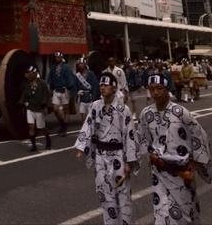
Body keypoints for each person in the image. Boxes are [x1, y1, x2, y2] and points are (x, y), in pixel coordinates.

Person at [138, 73, 211, 224]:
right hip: (159, 173)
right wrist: (150, 157)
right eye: (152, 89)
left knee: (184, 217)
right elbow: (143, 140)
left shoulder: (181, 113)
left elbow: (199, 138)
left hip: (181, 174)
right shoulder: (146, 114)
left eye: (159, 88)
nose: (155, 93)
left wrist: (195, 164)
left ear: (167, 89)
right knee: (161, 215)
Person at [75, 72, 139, 225]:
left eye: (106, 85)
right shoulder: (95, 106)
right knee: (105, 195)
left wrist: (129, 161)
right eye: (101, 85)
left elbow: (130, 136)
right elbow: (88, 126)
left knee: (122, 197)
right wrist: (82, 146)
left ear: (114, 87)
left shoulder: (123, 110)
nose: (102, 88)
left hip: (118, 155)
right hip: (101, 156)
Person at [20, 66, 51, 152]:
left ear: (34, 73)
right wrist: (23, 103)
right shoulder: (27, 84)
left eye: (29, 73)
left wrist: (45, 106)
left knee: (41, 128)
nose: (27, 75)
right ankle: (34, 146)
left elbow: (47, 95)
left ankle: (48, 139)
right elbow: (24, 96)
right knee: (31, 126)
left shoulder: (43, 83)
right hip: (30, 108)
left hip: (39, 109)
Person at [47, 52, 75, 136]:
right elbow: (50, 79)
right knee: (55, 109)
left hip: (64, 90)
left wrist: (69, 89)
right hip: (56, 90)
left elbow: (70, 78)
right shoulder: (53, 67)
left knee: (66, 110)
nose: (57, 58)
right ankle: (62, 124)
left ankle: (64, 128)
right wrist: (50, 89)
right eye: (56, 57)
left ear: (61, 57)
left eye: (59, 57)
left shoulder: (66, 67)